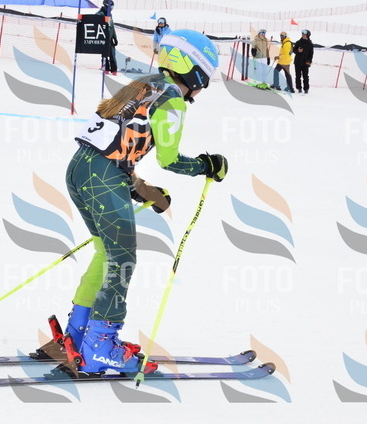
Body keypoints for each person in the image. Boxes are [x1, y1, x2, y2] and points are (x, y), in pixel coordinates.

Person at [63, 29, 228, 374]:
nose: (203, 88)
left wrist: (139, 188)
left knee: (106, 253)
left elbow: (115, 141)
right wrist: (206, 165)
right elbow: (170, 159)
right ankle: (100, 345)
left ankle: (78, 334)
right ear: (193, 71)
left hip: (80, 168)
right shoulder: (172, 98)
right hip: (103, 177)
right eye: (205, 78)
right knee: (122, 259)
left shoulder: (145, 83)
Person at [96, 0, 118, 75]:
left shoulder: (110, 15)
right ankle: (106, 68)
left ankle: (114, 69)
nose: (112, 9)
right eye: (111, 7)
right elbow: (95, 22)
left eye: (112, 7)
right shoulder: (100, 14)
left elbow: (112, 26)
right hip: (104, 38)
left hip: (110, 38)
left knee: (112, 54)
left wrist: (114, 37)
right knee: (105, 54)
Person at [293, 29, 314, 94]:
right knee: (298, 76)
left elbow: (311, 54)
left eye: (304, 34)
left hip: (305, 63)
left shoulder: (310, 44)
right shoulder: (298, 42)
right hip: (298, 62)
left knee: (305, 76)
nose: (303, 35)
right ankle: (299, 88)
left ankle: (306, 88)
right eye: (302, 34)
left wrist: (309, 62)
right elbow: (294, 50)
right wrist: (298, 51)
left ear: (308, 35)